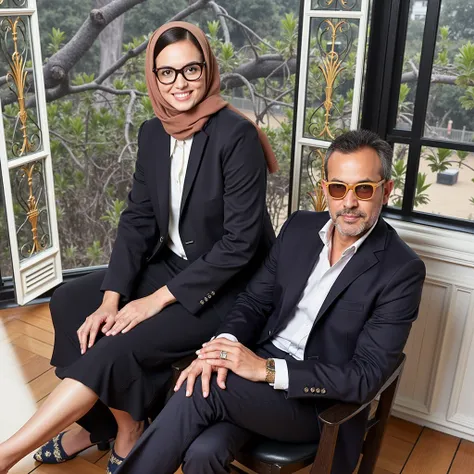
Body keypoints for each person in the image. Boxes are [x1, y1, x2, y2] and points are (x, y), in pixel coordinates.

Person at [0, 21, 277, 474]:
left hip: (227, 286)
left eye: (191, 69)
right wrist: (113, 298)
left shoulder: (235, 135)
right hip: (172, 265)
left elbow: (240, 244)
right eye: (167, 72)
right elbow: (138, 221)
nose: (180, 83)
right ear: (153, 76)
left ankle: (8, 453)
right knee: (74, 302)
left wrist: (151, 302)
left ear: (208, 70)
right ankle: (114, 427)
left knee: (115, 345)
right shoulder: (153, 132)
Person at [114, 130, 427, 474]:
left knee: (198, 389)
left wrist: (265, 370)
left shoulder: (401, 270)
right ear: (325, 190)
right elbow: (253, 302)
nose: (349, 202)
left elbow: (365, 377)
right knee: (205, 450)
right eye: (338, 188)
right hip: (254, 377)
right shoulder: (299, 228)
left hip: (316, 402)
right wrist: (224, 345)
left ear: (387, 190)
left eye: (363, 189)